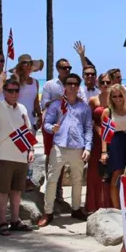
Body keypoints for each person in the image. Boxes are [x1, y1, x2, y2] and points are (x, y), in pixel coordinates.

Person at [38, 73, 92, 227]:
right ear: (65, 86)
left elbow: (88, 128)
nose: (72, 86)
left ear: (78, 86)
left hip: (78, 146)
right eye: (69, 83)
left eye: (75, 83)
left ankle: (76, 208)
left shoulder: (84, 107)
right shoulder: (56, 105)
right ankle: (48, 212)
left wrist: (87, 147)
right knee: (52, 179)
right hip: (59, 146)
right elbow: (46, 124)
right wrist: (51, 128)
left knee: (77, 179)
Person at [0, 74, 34, 235]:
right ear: (5, 91)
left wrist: (31, 150)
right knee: (3, 192)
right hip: (4, 157)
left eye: (16, 90)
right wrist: (0, 84)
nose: (14, 94)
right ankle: (2, 221)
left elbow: (28, 131)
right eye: (10, 91)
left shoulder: (22, 108)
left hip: (21, 155)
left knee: (16, 192)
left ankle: (15, 220)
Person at [101, 84, 126, 209]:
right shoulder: (107, 111)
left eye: (120, 95)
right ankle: (117, 209)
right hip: (115, 143)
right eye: (114, 96)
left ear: (124, 95)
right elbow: (104, 134)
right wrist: (104, 152)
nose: (117, 98)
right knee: (116, 176)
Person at [85, 73, 112, 212]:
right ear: (98, 83)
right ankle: (93, 205)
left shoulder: (115, 99)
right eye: (102, 82)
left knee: (109, 171)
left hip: (112, 138)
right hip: (96, 138)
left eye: (108, 82)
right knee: (95, 172)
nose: (105, 85)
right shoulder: (92, 100)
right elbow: (88, 120)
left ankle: (109, 204)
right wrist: (98, 129)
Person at [14, 54, 42, 132]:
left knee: (30, 143)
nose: (28, 65)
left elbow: (36, 102)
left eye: (30, 63)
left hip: (31, 118)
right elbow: (12, 97)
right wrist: (17, 79)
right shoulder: (14, 80)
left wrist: (40, 115)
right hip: (17, 117)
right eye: (25, 63)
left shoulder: (35, 82)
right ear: (20, 66)